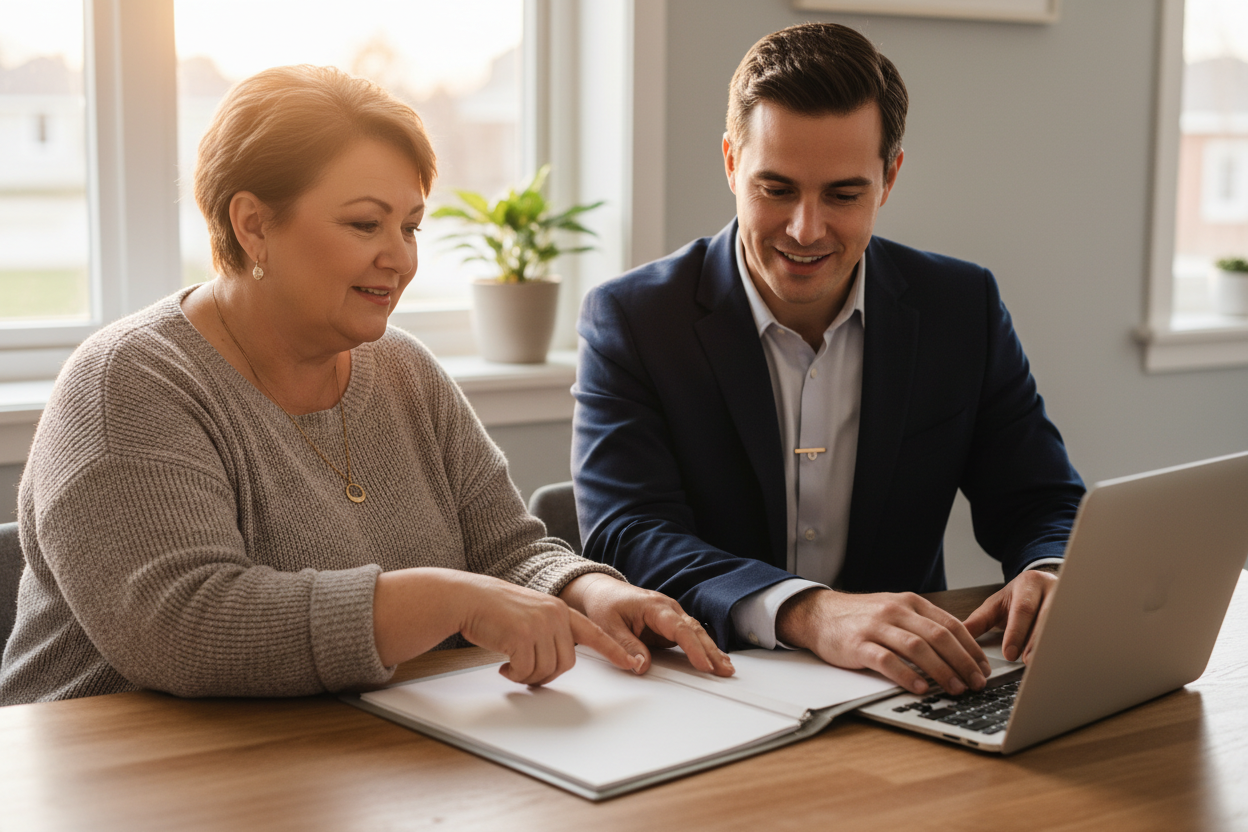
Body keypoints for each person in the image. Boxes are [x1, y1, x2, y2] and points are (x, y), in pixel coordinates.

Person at [0, 65, 731, 706]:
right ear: (253, 225)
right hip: (103, 776)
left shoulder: (405, 370)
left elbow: (507, 552)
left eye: (410, 227)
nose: (399, 259)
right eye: (364, 224)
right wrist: (447, 599)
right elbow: (186, 627)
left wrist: (593, 593)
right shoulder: (126, 385)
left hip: (338, 758)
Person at [572, 23, 1085, 698]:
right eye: (776, 188)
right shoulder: (634, 319)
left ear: (889, 177)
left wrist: (1049, 570)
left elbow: (1041, 498)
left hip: (909, 689)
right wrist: (808, 612)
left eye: (843, 194)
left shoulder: (962, 307)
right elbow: (626, 534)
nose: (806, 229)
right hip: (712, 688)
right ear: (731, 163)